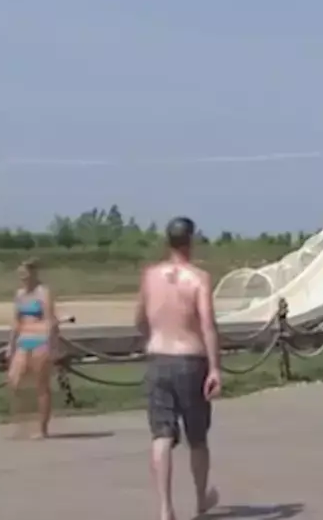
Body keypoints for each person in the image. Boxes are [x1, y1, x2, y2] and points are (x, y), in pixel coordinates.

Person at [135, 217, 223, 520]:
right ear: (191, 240)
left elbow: (140, 319)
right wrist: (215, 368)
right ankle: (200, 499)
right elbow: (207, 324)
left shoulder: (150, 276)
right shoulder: (199, 278)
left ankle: (165, 507)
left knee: (161, 434)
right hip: (190, 358)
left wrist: (151, 338)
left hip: (158, 356)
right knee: (196, 436)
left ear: (167, 241)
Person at [6, 259, 57, 439]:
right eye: (20, 275)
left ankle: (42, 428)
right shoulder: (19, 294)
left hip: (40, 339)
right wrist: (10, 344)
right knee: (14, 381)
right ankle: (22, 421)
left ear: (34, 273)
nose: (23, 278)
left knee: (41, 385)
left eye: (26, 274)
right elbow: (16, 321)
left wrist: (51, 345)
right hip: (24, 339)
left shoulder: (43, 293)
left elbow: (50, 320)